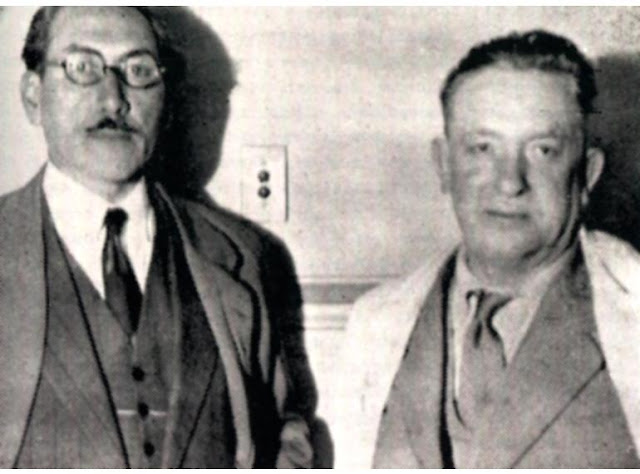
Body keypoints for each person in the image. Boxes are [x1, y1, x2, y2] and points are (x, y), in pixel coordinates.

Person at [0, 6, 317, 468]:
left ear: (164, 99)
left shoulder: (242, 256)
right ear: (33, 95)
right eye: (83, 67)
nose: (114, 100)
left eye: (139, 71)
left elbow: (284, 431)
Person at [335, 30, 640, 468]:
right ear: (444, 165)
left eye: (543, 150)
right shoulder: (374, 322)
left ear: (588, 173)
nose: (510, 181)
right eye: (482, 148)